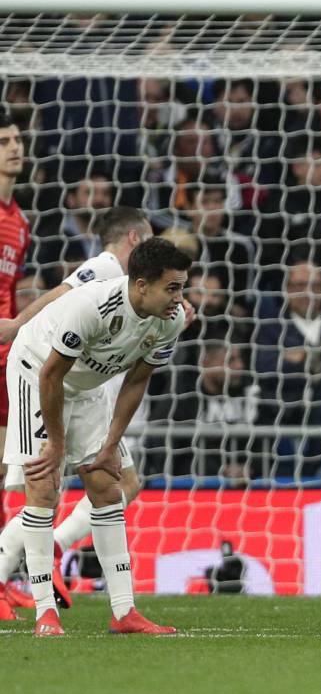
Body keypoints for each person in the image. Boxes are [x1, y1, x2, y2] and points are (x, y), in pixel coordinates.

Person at [0, 208, 198, 609]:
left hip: (92, 377)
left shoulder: (163, 306)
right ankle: (16, 570)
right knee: (45, 486)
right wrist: (18, 324)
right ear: (135, 239)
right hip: (44, 366)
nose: (179, 297)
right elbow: (63, 295)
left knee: (123, 483)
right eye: (173, 288)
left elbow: (139, 378)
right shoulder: (105, 269)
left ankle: (58, 547)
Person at [0, 110, 30, 621]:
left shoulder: (19, 220)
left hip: (5, 356)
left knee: (9, 470)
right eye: (4, 140)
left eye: (18, 139)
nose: (14, 147)